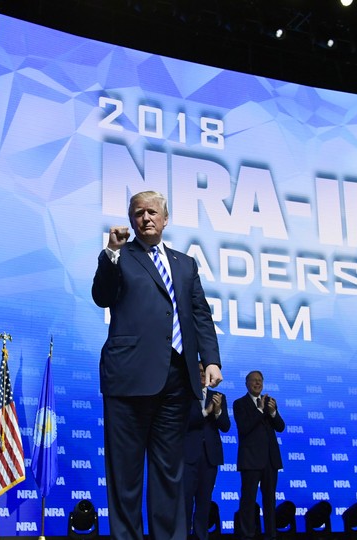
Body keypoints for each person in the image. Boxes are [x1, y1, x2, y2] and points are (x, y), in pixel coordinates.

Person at [92, 190, 223, 540]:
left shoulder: (185, 264)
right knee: (126, 475)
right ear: (132, 220)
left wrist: (210, 359)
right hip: (128, 378)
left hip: (177, 380)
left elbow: (199, 314)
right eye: (138, 213)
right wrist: (111, 253)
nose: (145, 218)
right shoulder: (121, 256)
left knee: (170, 474)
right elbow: (102, 296)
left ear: (165, 219)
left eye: (152, 212)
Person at [234, 371, 285, 540]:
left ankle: (271, 534)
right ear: (246, 383)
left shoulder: (269, 402)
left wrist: (272, 413)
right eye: (253, 380)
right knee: (248, 501)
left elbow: (280, 427)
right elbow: (244, 428)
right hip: (250, 460)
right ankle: (247, 535)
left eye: (260, 380)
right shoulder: (239, 403)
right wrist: (260, 410)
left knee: (270, 501)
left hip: (270, 460)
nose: (257, 383)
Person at [185, 364, 231, 540]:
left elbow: (225, 426)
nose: (203, 375)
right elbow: (183, 423)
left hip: (210, 458)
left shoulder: (219, 397)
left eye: (205, 372)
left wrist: (218, 412)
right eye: (198, 372)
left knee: (204, 502)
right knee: (186, 501)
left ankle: (200, 536)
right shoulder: (184, 395)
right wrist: (206, 412)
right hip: (188, 457)